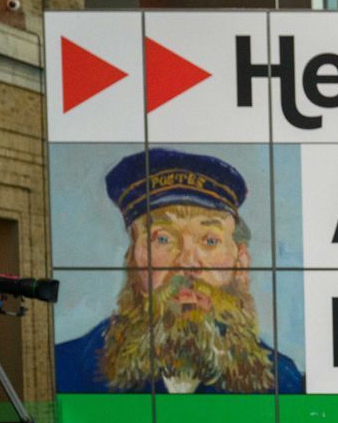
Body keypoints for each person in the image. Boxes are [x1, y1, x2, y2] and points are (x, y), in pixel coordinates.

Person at [54, 150, 300, 395]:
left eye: (210, 240)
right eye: (163, 239)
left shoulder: (283, 383)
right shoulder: (67, 370)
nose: (187, 262)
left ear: (240, 264)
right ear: (133, 262)